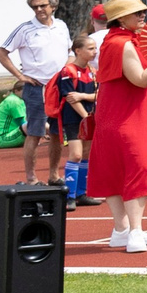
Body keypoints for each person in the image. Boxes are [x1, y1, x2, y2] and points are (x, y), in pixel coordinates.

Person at [87, 0, 147, 253]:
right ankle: (134, 232)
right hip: (126, 116)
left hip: (119, 114)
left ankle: (121, 230)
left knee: (116, 169)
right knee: (139, 167)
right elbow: (140, 79)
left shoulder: (118, 41)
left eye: (142, 11)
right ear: (120, 18)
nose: (142, 16)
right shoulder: (122, 44)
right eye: (135, 12)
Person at [0, 0, 72, 187]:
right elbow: (1, 53)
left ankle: (54, 176)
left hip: (59, 87)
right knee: (35, 133)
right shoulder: (25, 29)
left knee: (56, 133)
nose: (39, 10)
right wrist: (21, 76)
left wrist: (68, 70)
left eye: (43, 5)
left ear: (52, 6)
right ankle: (31, 178)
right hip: (37, 88)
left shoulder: (61, 26)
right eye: (35, 6)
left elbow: (70, 51)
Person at [50, 33, 98, 206]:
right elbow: (70, 98)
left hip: (89, 117)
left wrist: (83, 96)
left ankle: (81, 193)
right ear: (77, 50)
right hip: (74, 118)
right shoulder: (68, 71)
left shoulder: (92, 71)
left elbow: (99, 94)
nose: (94, 52)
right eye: (90, 48)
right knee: (76, 154)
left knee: (86, 154)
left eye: (95, 48)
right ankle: (69, 196)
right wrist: (85, 117)